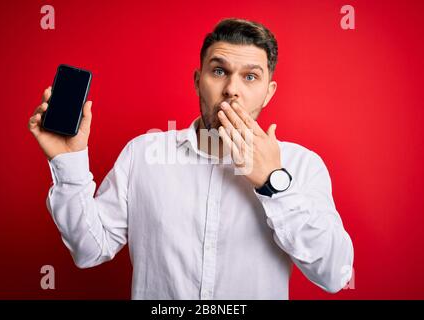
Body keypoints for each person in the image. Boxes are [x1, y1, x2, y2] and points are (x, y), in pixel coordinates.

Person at [28, 18, 354, 299]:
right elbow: (89, 250)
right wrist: (67, 162)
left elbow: (333, 274)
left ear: (269, 92)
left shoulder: (301, 165)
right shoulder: (143, 155)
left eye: (250, 77)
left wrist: (273, 183)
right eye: (219, 71)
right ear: (198, 81)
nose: (231, 90)